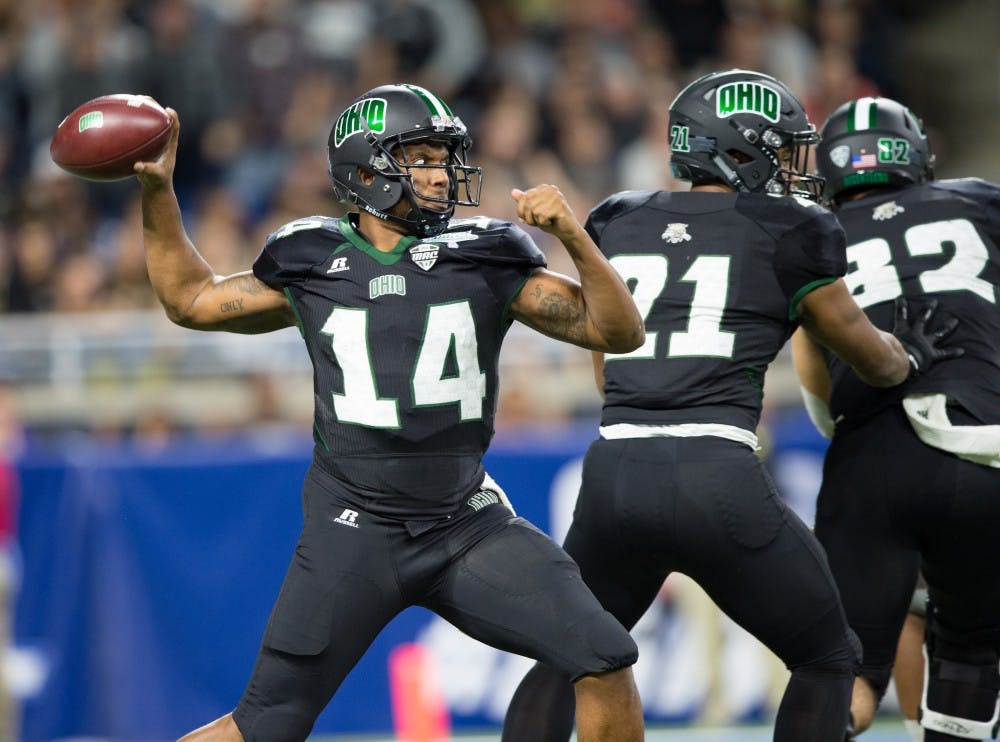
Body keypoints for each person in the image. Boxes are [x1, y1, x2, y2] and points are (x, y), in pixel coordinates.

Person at [132, 83, 647, 742]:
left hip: (465, 523)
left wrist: (573, 237)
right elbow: (190, 299)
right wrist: (157, 190)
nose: (441, 173)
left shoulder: (488, 252)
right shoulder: (310, 257)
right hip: (355, 528)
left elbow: (617, 332)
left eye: (443, 156)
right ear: (368, 172)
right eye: (423, 158)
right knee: (266, 725)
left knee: (606, 660)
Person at [501, 69, 959, 742]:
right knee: (830, 657)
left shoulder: (620, 217)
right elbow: (871, 357)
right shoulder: (794, 229)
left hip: (616, 471)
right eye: (779, 147)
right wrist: (911, 352)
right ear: (741, 152)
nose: (790, 165)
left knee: (567, 659)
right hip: (718, 473)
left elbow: (609, 370)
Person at [792, 96, 1000, 742]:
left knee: (843, 676)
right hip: (983, 447)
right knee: (968, 654)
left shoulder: (808, 237)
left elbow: (819, 394)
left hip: (874, 454)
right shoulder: (979, 203)